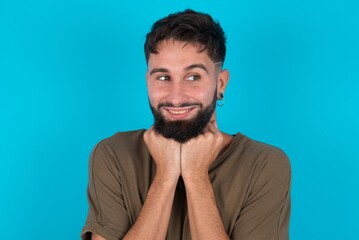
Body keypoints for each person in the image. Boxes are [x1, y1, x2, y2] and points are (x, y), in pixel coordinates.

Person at [81, 9, 291, 240]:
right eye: (163, 77)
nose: (176, 96)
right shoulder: (114, 155)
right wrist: (166, 175)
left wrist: (196, 175)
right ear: (147, 81)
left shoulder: (264, 164)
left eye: (193, 77)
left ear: (220, 84)